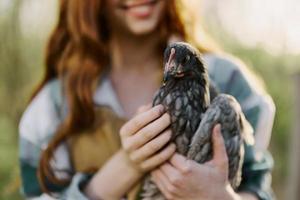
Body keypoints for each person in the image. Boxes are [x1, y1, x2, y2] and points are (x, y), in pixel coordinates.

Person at [19, 0, 276, 199]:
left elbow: (261, 189)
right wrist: (127, 165)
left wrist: (219, 197)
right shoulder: (51, 107)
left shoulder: (229, 81)